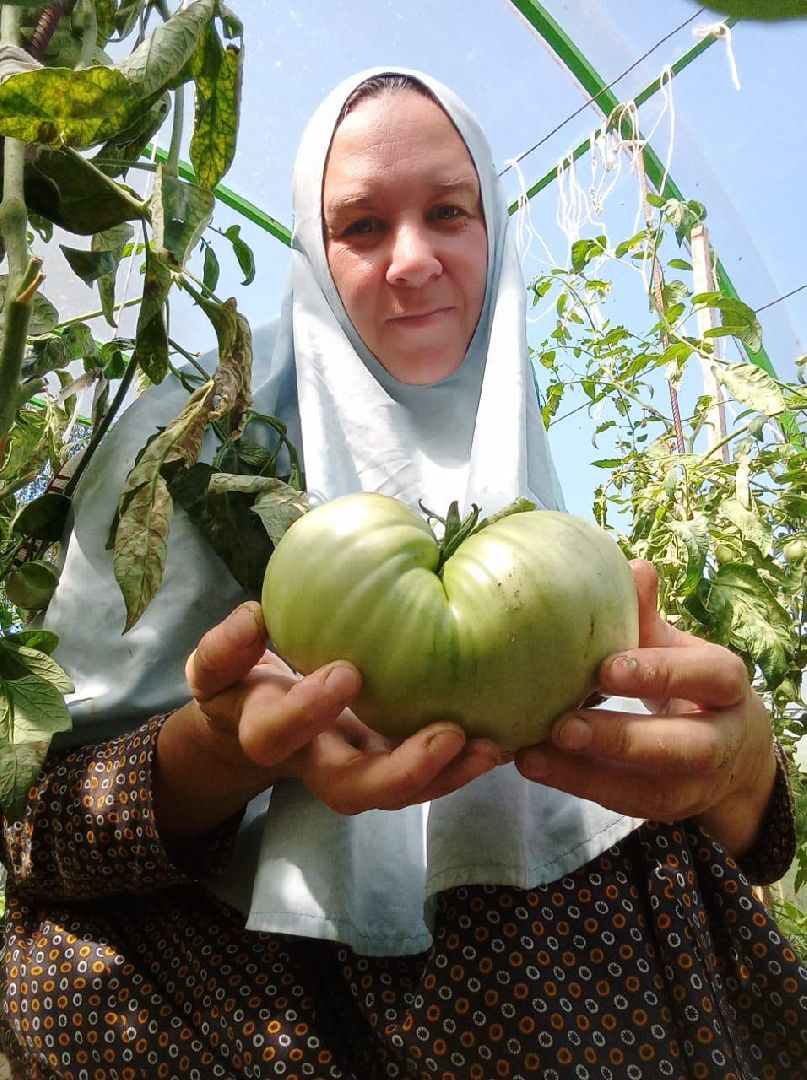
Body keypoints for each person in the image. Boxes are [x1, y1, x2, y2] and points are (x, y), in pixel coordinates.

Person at [1, 67, 804, 1080]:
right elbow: (37, 833)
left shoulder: (552, 525)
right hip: (273, 1001)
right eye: (363, 227)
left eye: (449, 213)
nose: (413, 260)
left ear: (495, 235)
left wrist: (742, 769)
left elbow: (753, 849)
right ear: (312, 251)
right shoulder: (189, 448)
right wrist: (222, 750)